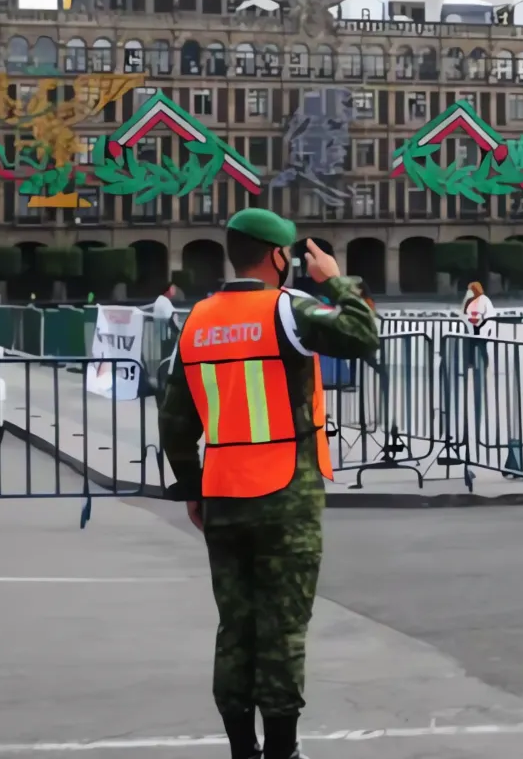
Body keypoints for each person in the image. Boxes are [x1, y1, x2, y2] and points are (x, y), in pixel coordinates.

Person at [159, 208, 380, 759]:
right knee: (283, 626)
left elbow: (176, 423)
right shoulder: (287, 308)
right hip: (285, 491)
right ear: (278, 256)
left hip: (222, 494)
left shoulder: (198, 320)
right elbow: (362, 335)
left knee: (236, 626)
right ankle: (282, 750)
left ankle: (241, 748)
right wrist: (335, 278)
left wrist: (192, 488)